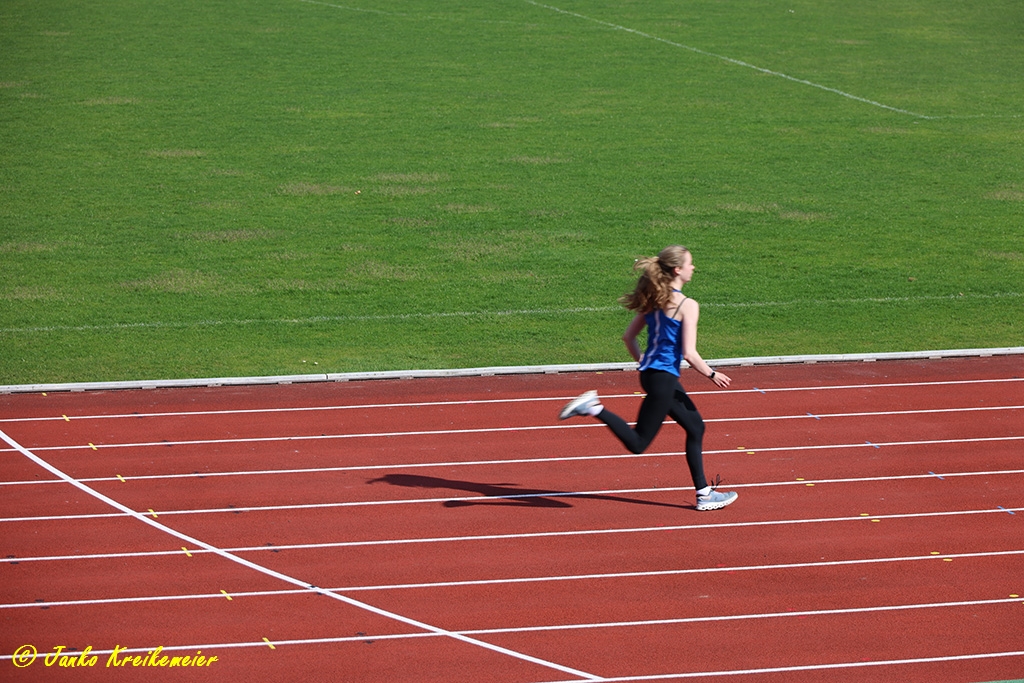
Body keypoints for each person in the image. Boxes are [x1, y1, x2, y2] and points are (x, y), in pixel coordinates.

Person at [558, 245, 738, 511]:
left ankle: (704, 494)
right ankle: (593, 407)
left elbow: (628, 338)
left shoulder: (654, 301)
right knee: (638, 443)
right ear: (677, 270)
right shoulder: (687, 306)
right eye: (690, 263)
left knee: (695, 427)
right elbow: (689, 353)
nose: (693, 267)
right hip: (663, 380)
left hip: (654, 376)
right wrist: (712, 374)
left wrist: (644, 361)